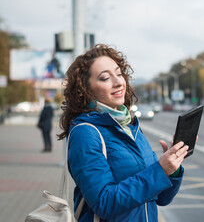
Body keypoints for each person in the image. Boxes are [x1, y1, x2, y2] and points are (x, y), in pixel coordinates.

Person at [57, 44, 189, 221]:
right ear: (85, 90)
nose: (118, 82)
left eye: (119, 74)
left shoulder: (130, 126)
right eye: (105, 78)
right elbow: (104, 203)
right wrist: (159, 170)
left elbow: (162, 199)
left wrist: (171, 169)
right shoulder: (86, 133)